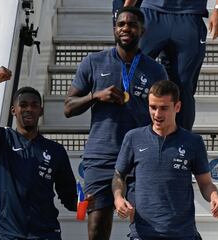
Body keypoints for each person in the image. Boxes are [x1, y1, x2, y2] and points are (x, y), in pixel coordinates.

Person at [64, 7, 168, 240]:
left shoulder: (155, 69)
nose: (125, 29)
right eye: (121, 24)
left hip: (139, 156)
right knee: (97, 228)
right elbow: (68, 107)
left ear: (142, 30)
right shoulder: (94, 61)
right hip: (101, 155)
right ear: (114, 28)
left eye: (131, 25)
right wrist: (95, 96)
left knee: (144, 225)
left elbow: (166, 113)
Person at [0, 67, 77, 240]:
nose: (28, 109)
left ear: (41, 110)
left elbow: (70, 200)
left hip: (46, 235)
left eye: (34, 105)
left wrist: (88, 202)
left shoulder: (56, 151)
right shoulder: (2, 140)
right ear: (13, 111)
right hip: (10, 235)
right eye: (23, 105)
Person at [112, 80, 218, 239]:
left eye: (164, 108)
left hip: (182, 234)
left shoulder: (193, 142)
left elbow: (205, 183)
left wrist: (215, 196)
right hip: (143, 234)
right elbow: (118, 176)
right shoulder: (133, 138)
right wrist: (118, 198)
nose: (157, 114)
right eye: (153, 107)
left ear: (177, 107)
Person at [123, 0, 218, 131]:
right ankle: (133, 138)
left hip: (190, 15)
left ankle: (181, 143)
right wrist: (127, 7)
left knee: (183, 86)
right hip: (152, 13)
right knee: (133, 77)